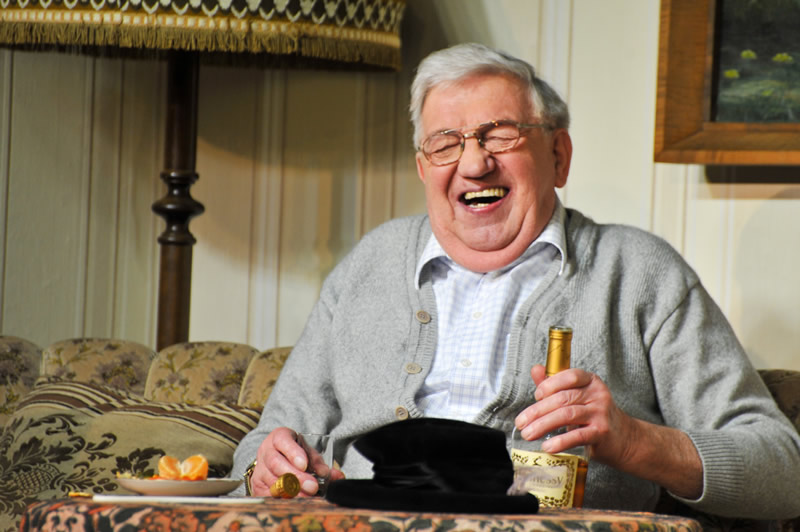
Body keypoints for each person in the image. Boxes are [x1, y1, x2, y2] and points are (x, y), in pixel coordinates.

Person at [230, 43, 800, 518]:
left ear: (558, 154)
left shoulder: (637, 272)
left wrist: (633, 442)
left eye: (499, 135)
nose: (474, 164)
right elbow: (261, 446)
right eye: (445, 143)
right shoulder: (369, 264)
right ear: (423, 169)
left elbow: (783, 470)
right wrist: (267, 467)